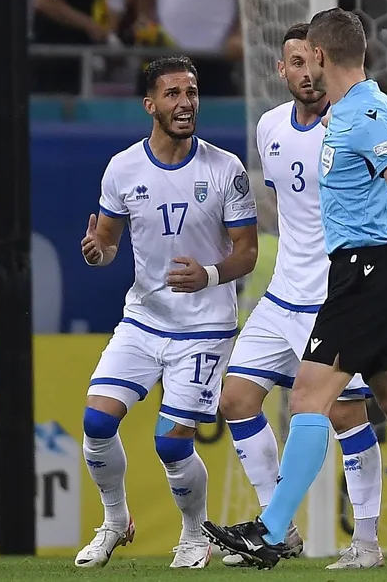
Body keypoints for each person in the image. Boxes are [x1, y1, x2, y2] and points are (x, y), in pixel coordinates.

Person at [201, 8, 387, 570]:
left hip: (368, 272)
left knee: (309, 398)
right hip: (360, 270)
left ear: (320, 56)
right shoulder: (350, 110)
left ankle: (271, 530)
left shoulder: (367, 114)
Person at [76, 56, 259, 569]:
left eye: (191, 92)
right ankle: (116, 521)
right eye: (173, 94)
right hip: (144, 318)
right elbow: (107, 243)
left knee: (171, 445)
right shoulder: (123, 168)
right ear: (150, 104)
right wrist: (97, 253)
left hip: (205, 326)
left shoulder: (225, 168)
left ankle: (195, 535)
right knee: (96, 422)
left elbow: (247, 251)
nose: (185, 103)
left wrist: (210, 275)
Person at [217, 23, 384, 570]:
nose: (306, 73)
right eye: (294, 63)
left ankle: (366, 542)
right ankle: (278, 527)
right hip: (282, 293)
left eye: (312, 61)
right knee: (236, 399)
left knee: (347, 417)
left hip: (334, 296)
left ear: (324, 61)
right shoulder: (269, 126)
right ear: (281, 70)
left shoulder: (355, 121)